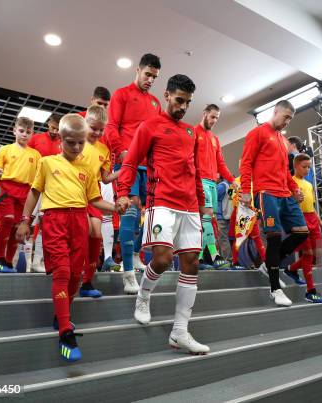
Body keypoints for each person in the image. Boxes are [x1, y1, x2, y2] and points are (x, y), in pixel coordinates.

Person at [116, 74, 210, 355]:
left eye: (188, 102)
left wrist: (203, 203)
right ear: (167, 95)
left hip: (190, 206)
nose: (183, 107)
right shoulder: (150, 126)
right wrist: (123, 191)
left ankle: (179, 332)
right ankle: (143, 296)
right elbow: (131, 161)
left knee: (191, 263)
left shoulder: (191, 133)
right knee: (163, 258)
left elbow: (194, 171)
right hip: (162, 203)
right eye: (179, 100)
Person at [16, 114, 117, 362]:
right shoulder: (47, 163)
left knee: (75, 275)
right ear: (60, 139)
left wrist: (117, 207)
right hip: (54, 221)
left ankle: (62, 314)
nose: (76, 147)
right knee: (62, 272)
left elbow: (95, 199)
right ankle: (65, 332)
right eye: (70, 142)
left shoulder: (86, 168)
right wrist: (25, 221)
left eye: (80, 143)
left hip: (78, 222)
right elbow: (34, 193)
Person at [239, 100, 309, 307]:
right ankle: (274, 289)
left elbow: (285, 172)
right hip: (266, 192)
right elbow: (246, 163)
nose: (287, 122)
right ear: (275, 112)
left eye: (290, 119)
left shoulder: (284, 142)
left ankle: (270, 264)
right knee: (275, 238)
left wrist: (295, 189)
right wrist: (245, 191)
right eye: (285, 117)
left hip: (285, 194)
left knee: (301, 232)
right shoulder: (257, 133)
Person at [106, 53, 162, 294]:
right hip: (128, 163)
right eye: (147, 74)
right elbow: (111, 127)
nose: (150, 79)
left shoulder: (156, 103)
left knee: (148, 215)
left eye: (154, 76)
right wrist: (121, 151)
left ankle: (137, 254)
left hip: (148, 168)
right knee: (130, 209)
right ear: (138, 70)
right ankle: (128, 272)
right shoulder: (121, 94)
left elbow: (157, 137)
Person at [0, 117, 41, 273]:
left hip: (25, 193)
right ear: (14, 131)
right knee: (8, 219)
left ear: (32, 134)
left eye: (28, 132)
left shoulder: (36, 154)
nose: (24, 134)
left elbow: (39, 175)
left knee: (17, 228)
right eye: (21, 131)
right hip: (6, 189)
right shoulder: (5, 149)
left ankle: (9, 262)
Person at [78, 105, 119, 297]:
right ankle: (72, 276)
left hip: (93, 194)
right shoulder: (75, 141)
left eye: (101, 129)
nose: (97, 132)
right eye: (93, 128)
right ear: (85, 122)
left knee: (96, 235)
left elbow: (105, 178)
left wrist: (124, 170)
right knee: (81, 233)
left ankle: (87, 283)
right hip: (73, 193)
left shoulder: (103, 148)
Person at [194, 104, 236, 269]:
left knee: (204, 219)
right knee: (208, 215)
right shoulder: (193, 132)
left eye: (217, 118)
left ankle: (199, 257)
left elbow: (221, 163)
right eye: (212, 116)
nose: (214, 120)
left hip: (212, 182)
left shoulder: (215, 139)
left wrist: (233, 180)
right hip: (199, 180)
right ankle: (213, 254)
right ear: (204, 114)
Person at [284, 153, 322, 303]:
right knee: (308, 254)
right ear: (295, 166)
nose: (307, 169)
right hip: (299, 218)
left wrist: (320, 221)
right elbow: (287, 204)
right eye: (304, 167)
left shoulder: (309, 185)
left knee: (316, 254)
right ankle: (310, 291)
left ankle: (291, 269)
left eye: (309, 167)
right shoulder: (290, 183)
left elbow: (312, 205)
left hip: (312, 219)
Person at [28, 113, 63, 273]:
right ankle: (23, 263)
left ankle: (37, 261)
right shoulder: (35, 139)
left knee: (44, 225)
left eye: (58, 129)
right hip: (34, 186)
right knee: (27, 222)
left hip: (52, 188)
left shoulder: (62, 143)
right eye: (53, 127)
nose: (55, 131)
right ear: (48, 123)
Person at [216, 175, 232, 260]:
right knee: (224, 238)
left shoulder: (222, 186)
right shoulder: (229, 185)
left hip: (221, 216)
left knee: (222, 239)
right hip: (227, 215)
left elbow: (213, 196)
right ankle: (227, 258)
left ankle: (227, 259)